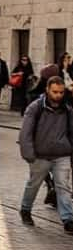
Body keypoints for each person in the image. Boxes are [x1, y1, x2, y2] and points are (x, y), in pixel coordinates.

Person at [17, 72, 73, 233]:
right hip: (40, 155)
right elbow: (25, 133)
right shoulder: (35, 107)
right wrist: (29, 155)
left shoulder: (68, 109)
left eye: (61, 92)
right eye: (55, 92)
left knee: (63, 186)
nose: (58, 95)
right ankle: (25, 209)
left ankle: (68, 219)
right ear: (48, 89)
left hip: (61, 154)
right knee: (33, 184)